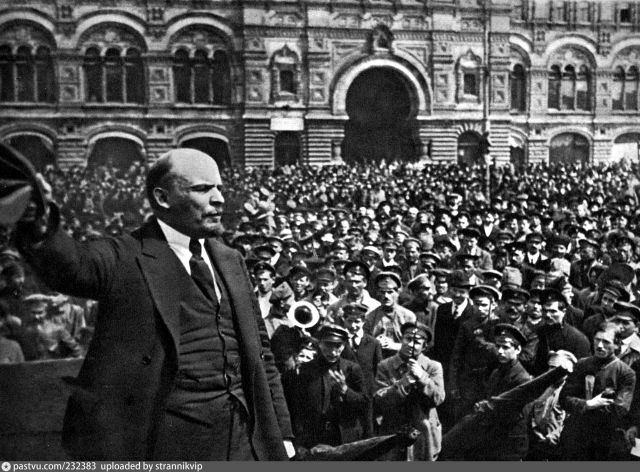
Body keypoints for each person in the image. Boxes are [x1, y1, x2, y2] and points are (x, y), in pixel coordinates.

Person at [16, 148, 293, 460]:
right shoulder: (126, 255)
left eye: (219, 188)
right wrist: (39, 224)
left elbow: (262, 355)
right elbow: (73, 266)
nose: (219, 199)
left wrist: (282, 433)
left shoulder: (232, 260)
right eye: (202, 189)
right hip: (167, 443)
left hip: (244, 440)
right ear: (163, 199)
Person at [559, 322, 636, 460]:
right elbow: (564, 398)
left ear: (617, 345)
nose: (600, 346)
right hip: (576, 435)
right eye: (597, 340)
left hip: (605, 439)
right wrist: (589, 404)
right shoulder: (582, 364)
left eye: (606, 342)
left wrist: (582, 407)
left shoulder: (626, 373)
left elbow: (620, 409)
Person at [285, 324, 368, 449]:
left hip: (344, 438)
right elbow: (295, 406)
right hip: (314, 438)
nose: (333, 352)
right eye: (328, 345)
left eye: (338, 346)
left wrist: (346, 391)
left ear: (344, 345)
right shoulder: (305, 370)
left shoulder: (352, 369)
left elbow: (365, 403)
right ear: (319, 343)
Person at [374, 322, 444, 461]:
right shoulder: (385, 366)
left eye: (417, 342)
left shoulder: (433, 367)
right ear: (401, 339)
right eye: (408, 339)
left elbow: (438, 398)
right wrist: (403, 383)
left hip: (425, 434)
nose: (410, 345)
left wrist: (422, 377)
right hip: (393, 431)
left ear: (424, 346)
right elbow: (379, 401)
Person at [364, 271, 416, 358]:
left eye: (390, 292)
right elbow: (364, 345)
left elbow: (415, 344)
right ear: (377, 293)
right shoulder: (370, 317)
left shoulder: (408, 316)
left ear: (398, 292)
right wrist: (375, 343)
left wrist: (395, 346)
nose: (386, 296)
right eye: (382, 292)